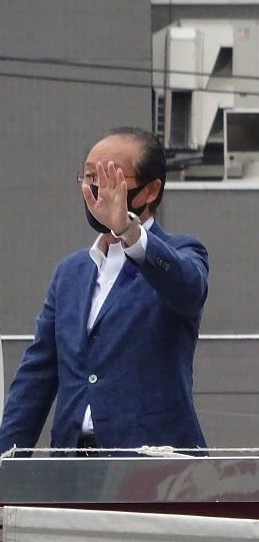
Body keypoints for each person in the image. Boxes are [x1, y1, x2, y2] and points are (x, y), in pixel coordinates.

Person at [0, 127, 208, 456]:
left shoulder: (180, 253)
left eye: (112, 178)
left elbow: (189, 289)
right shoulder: (71, 272)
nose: (98, 189)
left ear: (150, 190)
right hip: (72, 460)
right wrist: (6, 458)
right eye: (90, 176)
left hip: (155, 464)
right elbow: (36, 376)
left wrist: (128, 230)